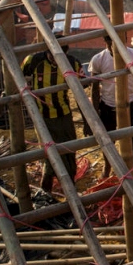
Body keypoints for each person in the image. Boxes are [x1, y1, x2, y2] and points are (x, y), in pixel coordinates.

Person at [21, 44, 82, 192]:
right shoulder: (33, 60)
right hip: (43, 116)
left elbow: (80, 92)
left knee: (69, 151)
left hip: (64, 114)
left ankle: (70, 189)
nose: (55, 60)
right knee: (49, 154)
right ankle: (45, 191)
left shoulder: (72, 63)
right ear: (47, 51)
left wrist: (86, 120)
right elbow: (16, 76)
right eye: (51, 57)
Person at [89, 33, 133, 178]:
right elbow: (95, 89)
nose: (114, 45)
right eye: (110, 41)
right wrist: (95, 113)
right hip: (108, 106)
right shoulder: (98, 59)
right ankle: (107, 168)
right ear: (105, 41)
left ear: (125, 40)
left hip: (131, 105)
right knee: (108, 144)